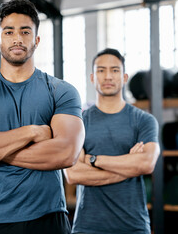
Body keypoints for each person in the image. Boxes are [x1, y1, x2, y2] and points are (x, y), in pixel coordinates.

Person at [0, 0, 85, 234]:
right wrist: (32, 132)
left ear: (36, 40)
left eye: (25, 31)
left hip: (48, 217)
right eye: (9, 31)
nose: (17, 38)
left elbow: (66, 152)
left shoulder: (61, 91)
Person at [63, 48, 160, 234]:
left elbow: (146, 164)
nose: (108, 76)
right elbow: (74, 174)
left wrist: (93, 160)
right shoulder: (78, 122)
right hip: (87, 227)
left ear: (124, 77)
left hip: (133, 226)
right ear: (92, 77)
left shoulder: (144, 120)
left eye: (115, 70)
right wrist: (129, 166)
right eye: (101, 70)